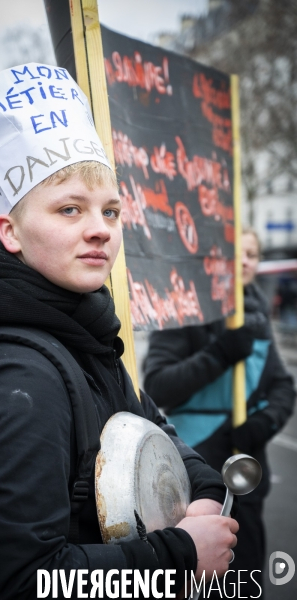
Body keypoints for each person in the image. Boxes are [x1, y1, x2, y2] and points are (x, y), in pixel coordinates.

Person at [0, 63, 238, 599]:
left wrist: (205, 493)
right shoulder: (14, 375)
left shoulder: (82, 332)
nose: (99, 228)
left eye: (111, 210)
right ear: (11, 231)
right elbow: (20, 581)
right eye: (69, 209)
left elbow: (152, 428)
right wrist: (182, 557)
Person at [143, 227, 295, 598]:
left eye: (252, 254)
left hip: (247, 475)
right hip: (197, 480)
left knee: (246, 581)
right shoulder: (183, 308)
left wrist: (263, 424)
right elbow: (158, 384)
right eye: (236, 252)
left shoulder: (256, 312)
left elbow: (282, 387)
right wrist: (221, 353)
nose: (244, 261)